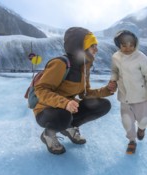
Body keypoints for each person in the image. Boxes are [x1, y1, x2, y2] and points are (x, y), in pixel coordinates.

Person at [34, 27, 115, 155]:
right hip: (46, 111)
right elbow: (40, 89)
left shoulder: (84, 67)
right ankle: (48, 134)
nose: (96, 49)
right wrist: (65, 103)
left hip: (69, 108)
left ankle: (69, 127)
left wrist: (106, 90)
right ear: (80, 46)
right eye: (92, 45)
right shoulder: (61, 63)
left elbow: (85, 94)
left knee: (103, 105)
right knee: (63, 116)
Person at [110, 30, 147, 154]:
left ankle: (141, 129)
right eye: (124, 45)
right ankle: (131, 141)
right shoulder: (116, 57)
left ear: (135, 44)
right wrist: (113, 80)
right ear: (119, 45)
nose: (128, 48)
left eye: (131, 45)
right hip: (124, 96)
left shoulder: (141, 57)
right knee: (127, 121)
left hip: (140, 96)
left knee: (144, 119)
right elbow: (114, 71)